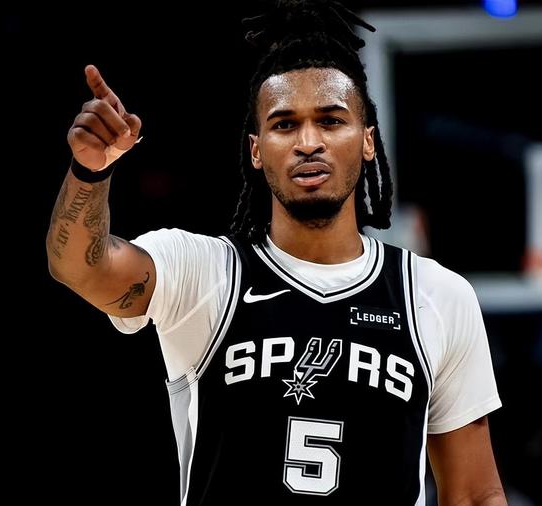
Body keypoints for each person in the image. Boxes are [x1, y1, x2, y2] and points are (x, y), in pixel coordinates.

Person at [46, 1, 507, 504]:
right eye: (285, 125)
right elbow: (82, 269)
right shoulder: (203, 271)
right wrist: (90, 172)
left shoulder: (437, 295)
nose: (309, 142)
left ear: (368, 141)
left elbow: (474, 494)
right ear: (256, 149)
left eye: (331, 121)